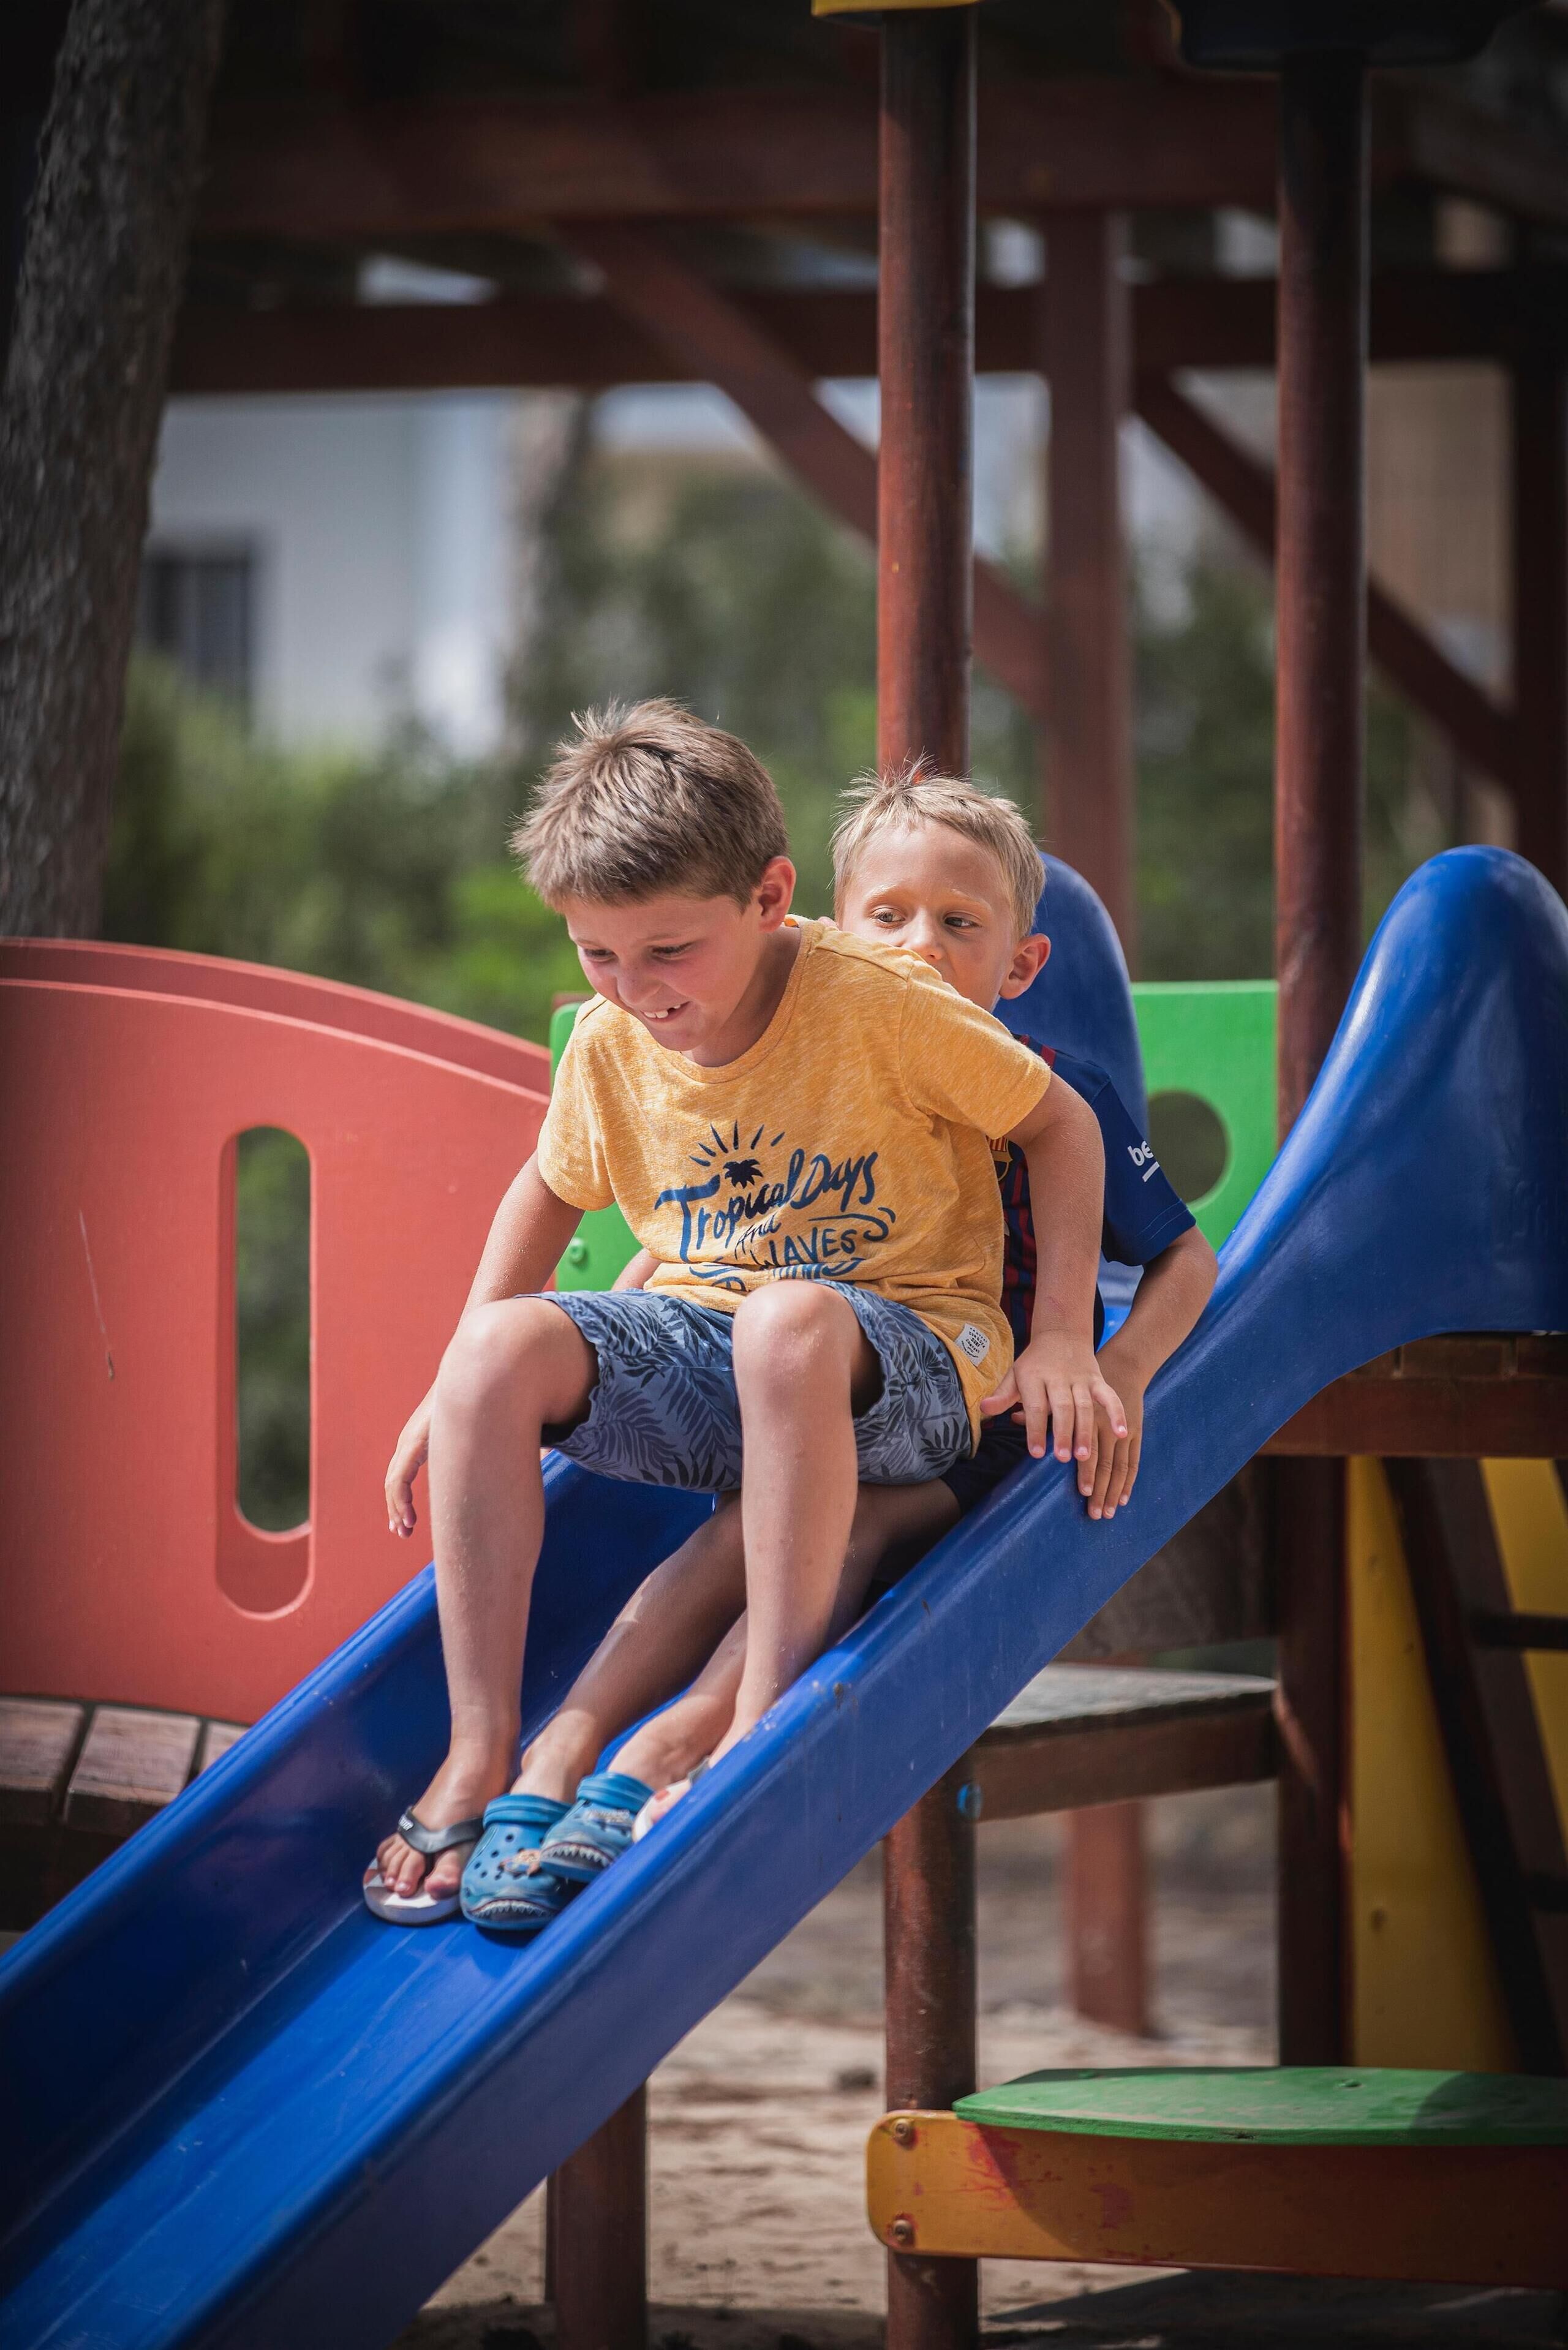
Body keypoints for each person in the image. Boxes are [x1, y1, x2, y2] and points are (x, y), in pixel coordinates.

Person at [364, 707, 1123, 1926]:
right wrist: (455, 1381)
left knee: (784, 1324)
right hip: (728, 1360)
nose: (633, 990)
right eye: (598, 955)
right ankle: (481, 1746)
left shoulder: (878, 997)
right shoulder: (612, 1039)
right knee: (493, 1345)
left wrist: (1058, 1337)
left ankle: (760, 1705)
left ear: (771, 895)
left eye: (667, 950)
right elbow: (549, 1185)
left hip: (916, 1363)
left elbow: (1062, 1124)